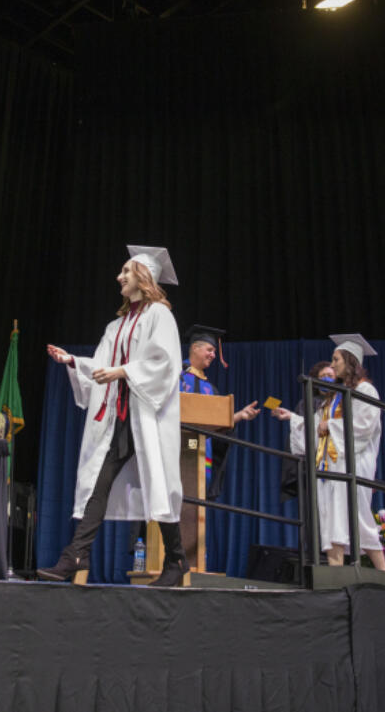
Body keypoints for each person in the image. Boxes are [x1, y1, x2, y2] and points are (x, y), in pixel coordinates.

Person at [38, 246, 187, 586]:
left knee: (157, 484)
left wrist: (122, 372)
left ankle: (176, 561)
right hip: (121, 416)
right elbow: (104, 367)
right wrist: (74, 362)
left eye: (126, 271)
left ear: (143, 276)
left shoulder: (159, 316)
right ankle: (76, 554)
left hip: (147, 415)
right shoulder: (117, 324)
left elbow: (165, 364)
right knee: (99, 483)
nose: (119, 277)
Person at [273, 334, 385, 572]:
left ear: (350, 362)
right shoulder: (335, 398)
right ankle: (335, 568)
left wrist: (329, 426)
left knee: (356, 513)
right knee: (331, 516)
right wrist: (293, 418)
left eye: (336, 359)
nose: (333, 364)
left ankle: (382, 566)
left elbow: (364, 426)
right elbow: (316, 425)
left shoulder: (365, 390)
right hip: (330, 465)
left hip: (352, 463)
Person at [179, 324, 259, 500]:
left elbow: (216, 424)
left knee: (195, 503)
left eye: (214, 351)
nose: (213, 355)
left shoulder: (210, 388)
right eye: (210, 349)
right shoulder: (176, 377)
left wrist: (239, 415)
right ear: (194, 348)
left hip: (200, 452)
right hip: (178, 448)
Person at [280, 361, 334, 502]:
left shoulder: (341, 402)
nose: (326, 379)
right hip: (314, 464)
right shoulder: (308, 403)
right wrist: (291, 416)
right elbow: (304, 431)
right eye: (322, 376)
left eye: (329, 375)